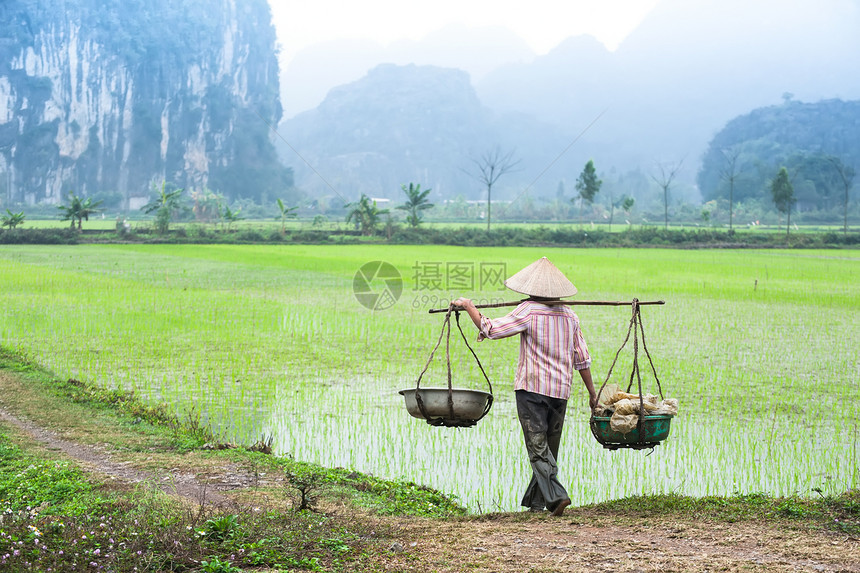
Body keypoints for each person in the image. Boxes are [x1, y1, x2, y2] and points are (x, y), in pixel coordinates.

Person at [454, 256, 597, 517]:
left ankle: (557, 497)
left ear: (532, 289)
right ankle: (536, 503)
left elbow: (491, 329)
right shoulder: (571, 316)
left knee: (537, 448)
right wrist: (592, 393)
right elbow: (582, 359)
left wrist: (467, 305)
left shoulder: (528, 310)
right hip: (560, 392)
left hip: (532, 391)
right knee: (547, 448)